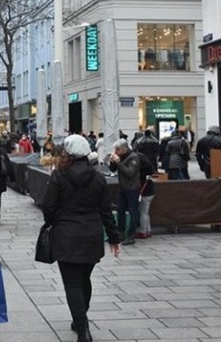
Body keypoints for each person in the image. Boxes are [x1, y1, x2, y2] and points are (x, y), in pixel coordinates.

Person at [42, 134, 121, 342]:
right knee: (84, 279)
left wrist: (52, 222)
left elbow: (48, 206)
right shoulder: (98, 178)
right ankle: (80, 319)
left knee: (72, 283)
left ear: (67, 153)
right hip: (91, 235)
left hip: (66, 234)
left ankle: (83, 328)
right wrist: (114, 238)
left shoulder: (59, 176)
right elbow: (106, 211)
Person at [108, 139, 140, 245]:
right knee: (120, 209)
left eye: (118, 150)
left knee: (133, 211)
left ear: (124, 149)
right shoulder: (121, 156)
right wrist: (112, 162)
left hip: (132, 188)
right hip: (123, 187)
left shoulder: (133, 157)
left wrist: (118, 162)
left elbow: (129, 173)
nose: (116, 152)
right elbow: (113, 169)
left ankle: (131, 235)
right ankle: (120, 232)